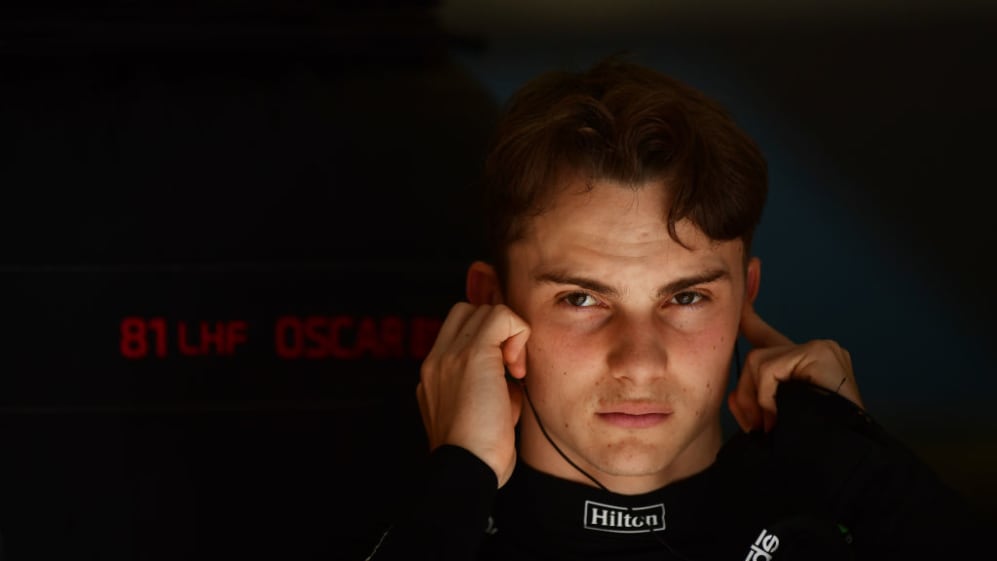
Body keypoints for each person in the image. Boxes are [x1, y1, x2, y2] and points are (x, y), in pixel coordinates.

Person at [364, 56, 988, 560]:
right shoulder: (391, 514)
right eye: (582, 298)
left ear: (745, 295)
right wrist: (454, 489)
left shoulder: (849, 516)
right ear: (489, 304)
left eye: (685, 298)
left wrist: (870, 475)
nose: (639, 363)